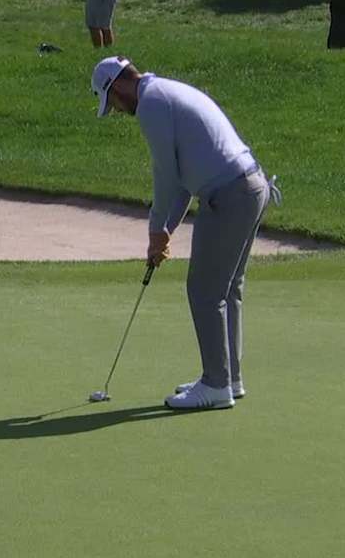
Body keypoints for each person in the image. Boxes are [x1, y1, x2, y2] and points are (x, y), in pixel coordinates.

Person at [90, 56, 282, 410]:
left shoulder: (150, 103)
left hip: (228, 194)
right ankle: (228, 377)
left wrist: (155, 230)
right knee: (226, 289)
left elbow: (164, 175)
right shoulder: (164, 92)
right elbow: (180, 182)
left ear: (116, 87)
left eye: (112, 103)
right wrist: (163, 231)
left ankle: (215, 385)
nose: (116, 110)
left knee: (204, 291)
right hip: (251, 187)